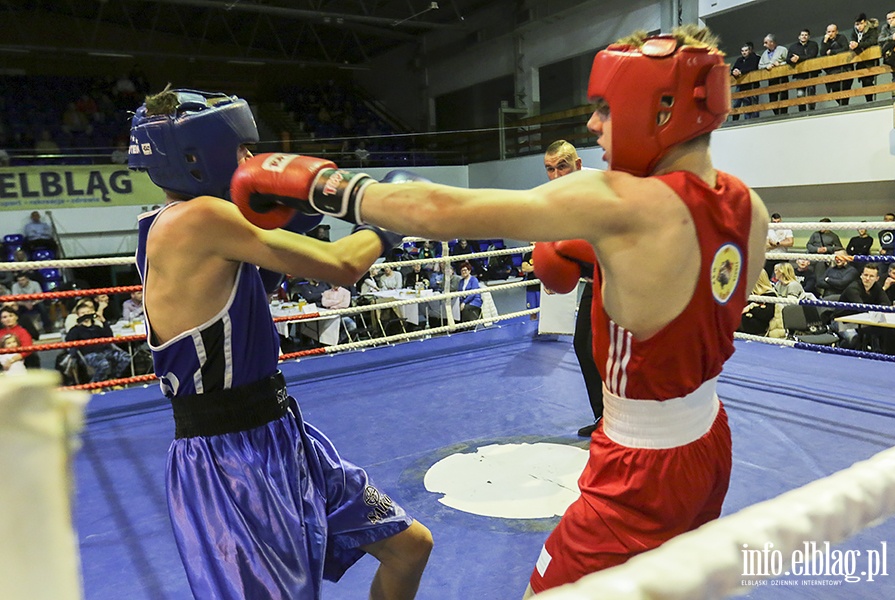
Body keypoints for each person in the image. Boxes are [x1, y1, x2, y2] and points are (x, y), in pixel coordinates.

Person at [230, 25, 768, 595]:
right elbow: (684, 313)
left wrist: (325, 185)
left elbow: (444, 208)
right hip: (708, 439)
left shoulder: (622, 202)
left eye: (606, 109)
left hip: (640, 465)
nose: (593, 126)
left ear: (656, 108)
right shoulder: (748, 206)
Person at [127, 86, 432, 599]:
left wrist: (294, 218)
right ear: (196, 155)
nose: (250, 159)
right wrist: (392, 216)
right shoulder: (200, 219)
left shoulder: (167, 227)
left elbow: (244, 299)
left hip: (284, 435)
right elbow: (342, 265)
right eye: (241, 149)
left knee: (409, 546)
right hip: (229, 462)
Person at [538, 140, 604, 438]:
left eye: (561, 167)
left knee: (606, 351)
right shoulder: (554, 198)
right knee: (582, 345)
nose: (555, 175)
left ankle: (629, 421)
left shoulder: (599, 188)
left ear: (577, 165)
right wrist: (550, 272)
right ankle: (604, 417)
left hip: (622, 281)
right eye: (550, 169)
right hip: (594, 281)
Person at [64, 303, 131, 383]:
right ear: (78, 315)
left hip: (105, 351)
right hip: (89, 354)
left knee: (126, 357)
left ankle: (113, 379)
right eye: (83, 313)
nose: (86, 315)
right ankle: (95, 384)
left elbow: (109, 337)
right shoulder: (76, 330)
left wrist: (103, 321)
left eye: (88, 312)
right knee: (104, 364)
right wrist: (77, 325)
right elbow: (68, 340)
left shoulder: (97, 327)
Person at [850, 13, 880, 102]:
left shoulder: (872, 30)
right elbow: (852, 39)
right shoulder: (854, 32)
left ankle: (870, 101)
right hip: (860, 61)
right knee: (864, 82)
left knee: (868, 81)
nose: (858, 27)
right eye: (856, 24)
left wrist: (858, 45)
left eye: (860, 24)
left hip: (871, 61)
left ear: (865, 22)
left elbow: (872, 41)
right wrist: (852, 44)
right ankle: (868, 100)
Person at [787, 29, 819, 111]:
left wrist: (799, 58)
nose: (804, 36)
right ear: (799, 37)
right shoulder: (793, 47)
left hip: (811, 73)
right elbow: (787, 59)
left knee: (811, 92)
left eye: (805, 35)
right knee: (800, 94)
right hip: (799, 73)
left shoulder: (813, 44)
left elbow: (812, 55)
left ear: (809, 36)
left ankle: (812, 111)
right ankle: (802, 111)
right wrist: (792, 60)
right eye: (802, 35)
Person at [738, 270, 778, 336]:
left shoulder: (770, 294)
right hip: (748, 322)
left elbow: (767, 314)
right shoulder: (749, 294)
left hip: (761, 325)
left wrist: (751, 308)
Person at [821, 24, 852, 106]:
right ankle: (842, 106)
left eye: (833, 31)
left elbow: (845, 48)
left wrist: (832, 52)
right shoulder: (825, 40)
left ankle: (844, 107)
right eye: (829, 32)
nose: (830, 33)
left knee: (845, 92)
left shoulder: (841, 38)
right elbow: (822, 54)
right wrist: (825, 41)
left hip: (844, 69)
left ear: (837, 32)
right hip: (832, 71)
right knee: (835, 92)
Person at [759, 34, 788, 115]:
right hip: (771, 79)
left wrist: (780, 64)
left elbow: (788, 61)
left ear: (771, 42)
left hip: (782, 77)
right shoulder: (765, 54)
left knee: (783, 97)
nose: (764, 45)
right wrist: (767, 66)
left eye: (766, 42)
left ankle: (784, 115)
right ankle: (777, 115)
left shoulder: (782, 49)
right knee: (773, 99)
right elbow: (760, 66)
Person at [730, 42, 760, 120]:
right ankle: (736, 120)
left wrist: (741, 71)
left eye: (746, 50)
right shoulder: (739, 60)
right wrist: (734, 71)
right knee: (740, 104)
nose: (744, 52)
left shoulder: (754, 58)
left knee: (753, 104)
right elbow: (734, 68)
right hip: (741, 85)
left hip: (752, 85)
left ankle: (754, 120)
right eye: (742, 51)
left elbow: (752, 67)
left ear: (749, 51)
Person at [765, 212, 793, 277]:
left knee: (784, 276)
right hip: (770, 257)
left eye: (778, 222)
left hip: (782, 256)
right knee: (766, 276)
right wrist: (783, 242)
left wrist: (776, 243)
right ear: (771, 222)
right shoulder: (767, 229)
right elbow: (767, 245)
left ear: (781, 220)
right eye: (774, 222)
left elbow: (790, 243)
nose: (776, 224)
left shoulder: (786, 228)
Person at [879, 10, 895, 90]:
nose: (891, 20)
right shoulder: (885, 27)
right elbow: (880, 40)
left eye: (894, 17)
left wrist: (893, 28)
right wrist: (892, 37)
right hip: (893, 58)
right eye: (889, 18)